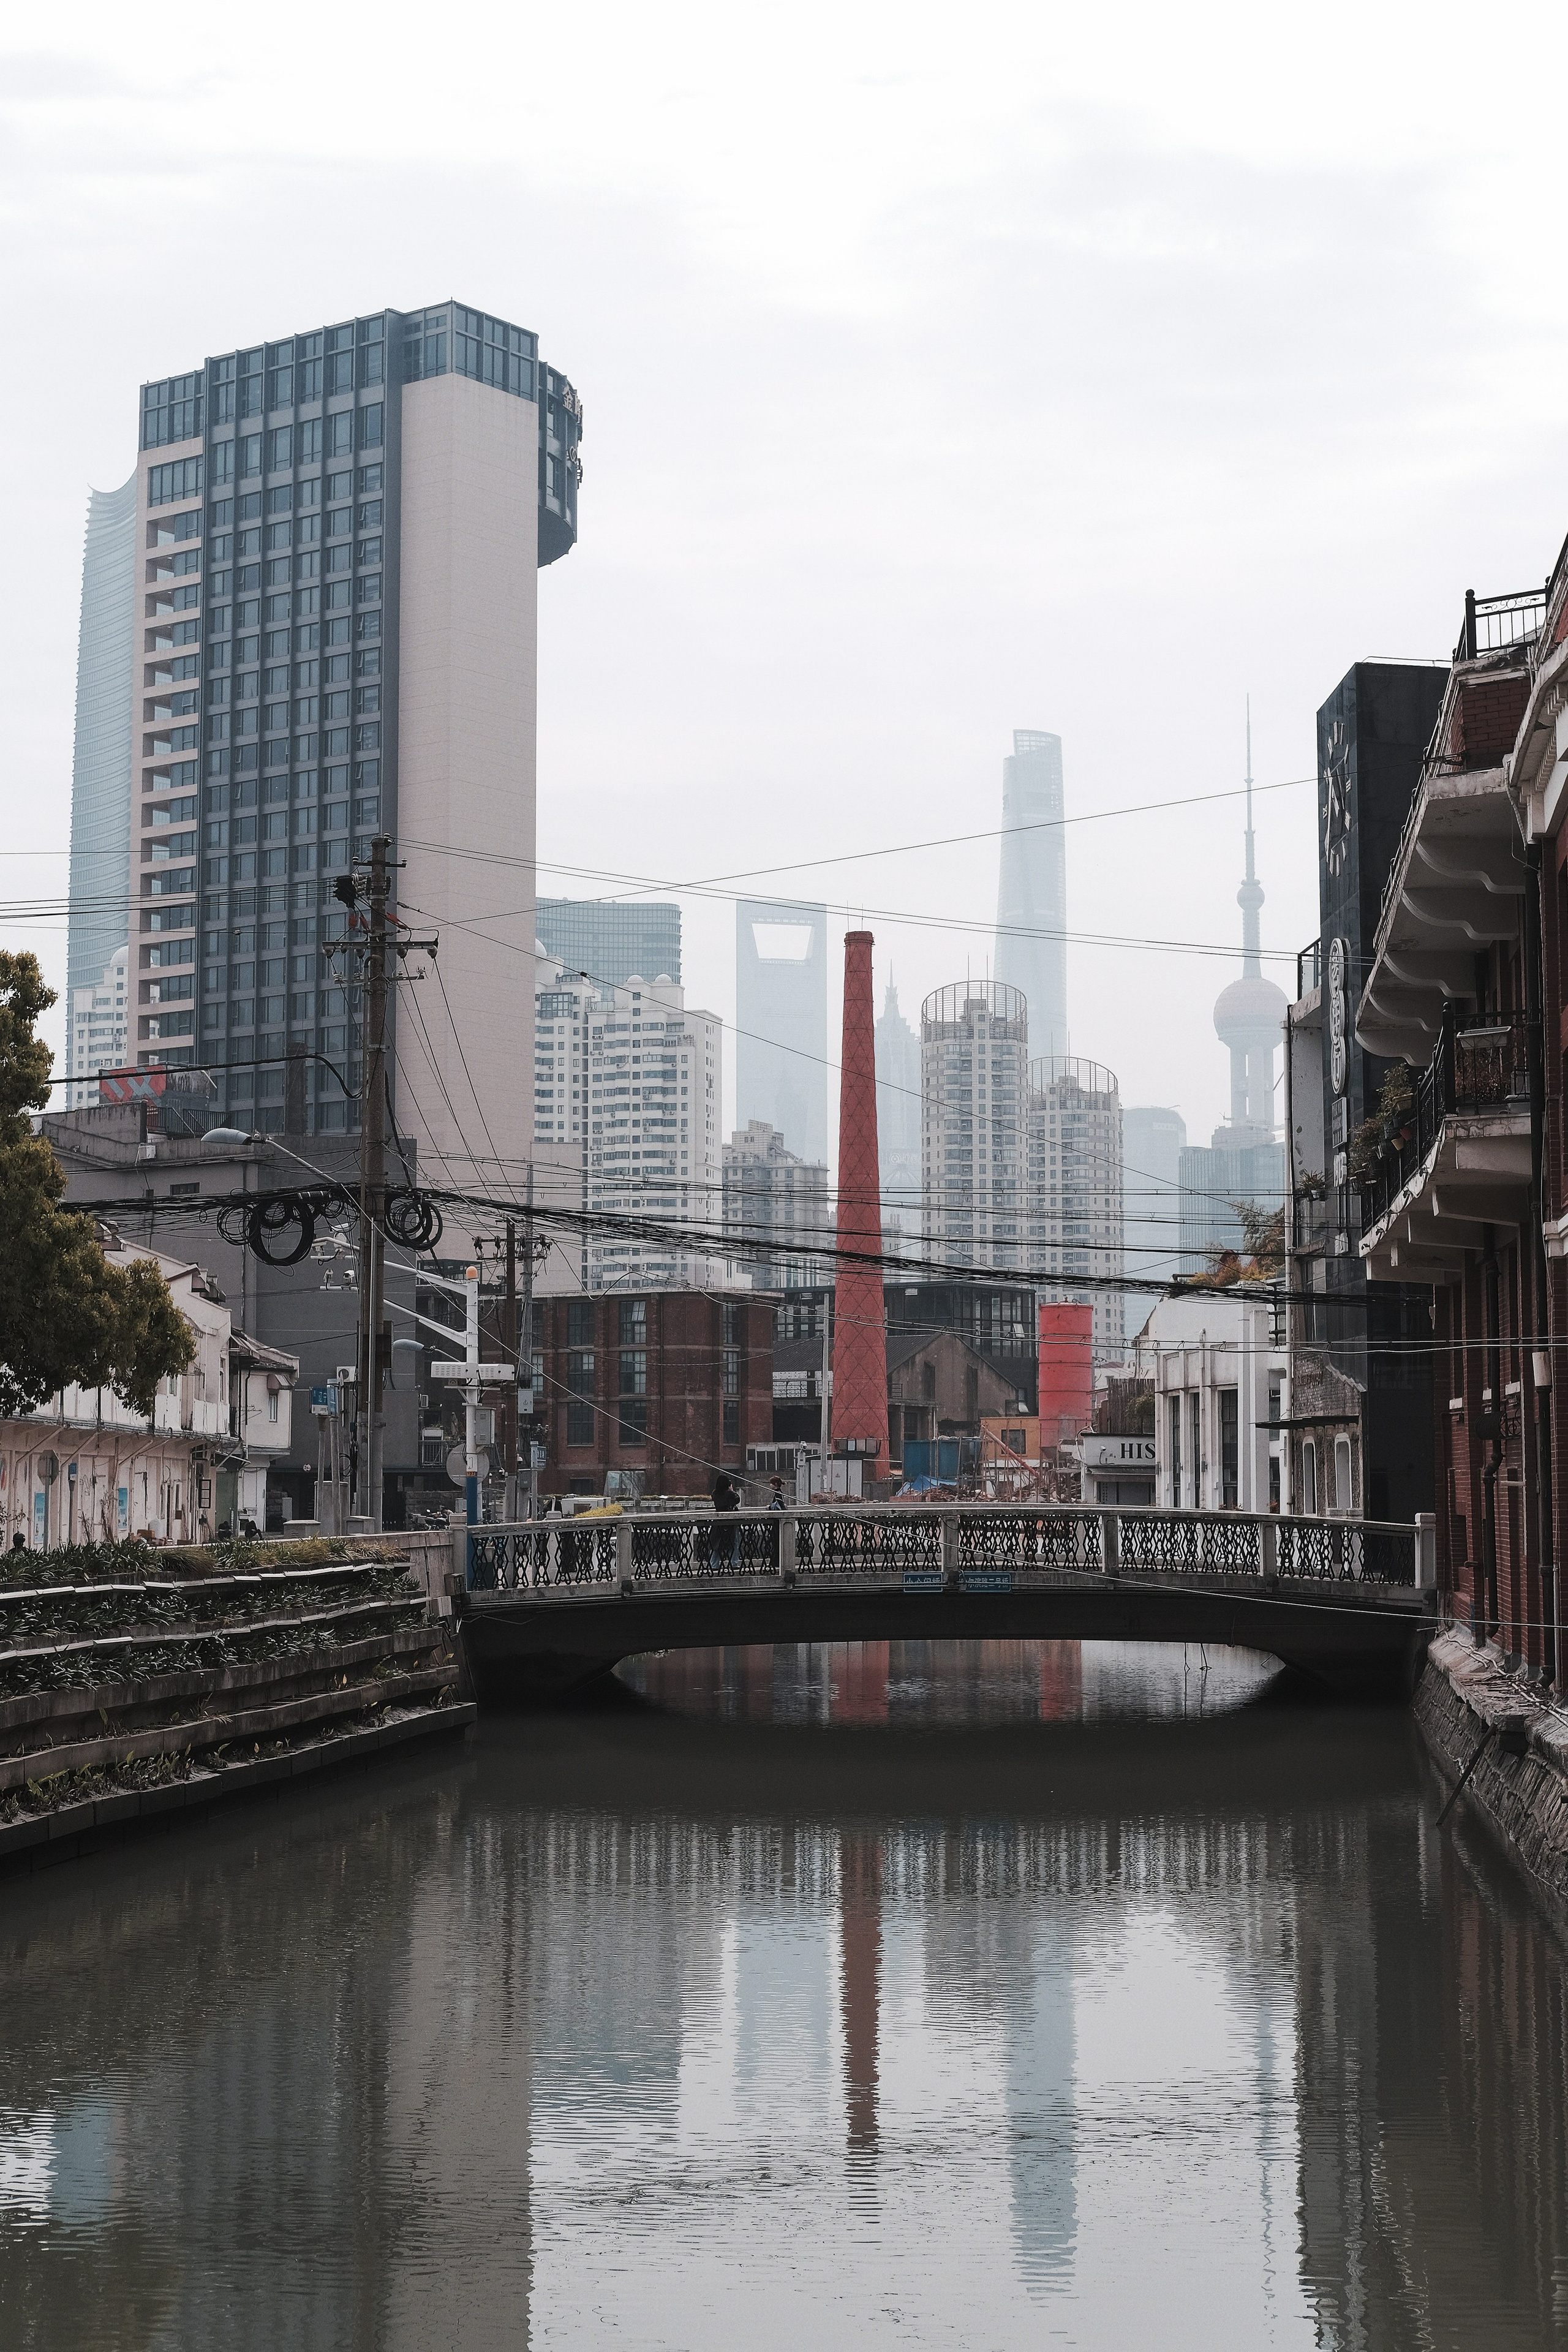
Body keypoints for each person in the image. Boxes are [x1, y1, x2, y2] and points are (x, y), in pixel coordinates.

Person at [710, 1469, 741, 1570]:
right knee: (735, 1542)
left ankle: (714, 1564)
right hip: (731, 1521)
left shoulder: (715, 1494)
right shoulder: (729, 1494)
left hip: (718, 1522)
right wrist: (732, 1491)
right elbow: (737, 1499)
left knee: (717, 1543)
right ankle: (734, 1563)